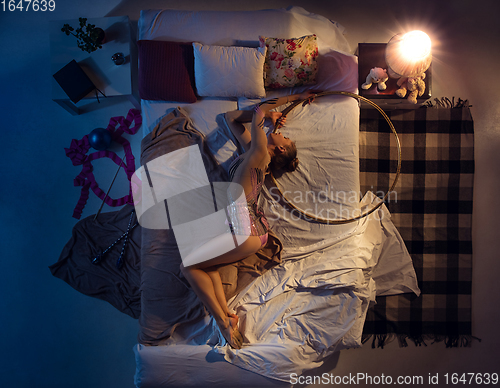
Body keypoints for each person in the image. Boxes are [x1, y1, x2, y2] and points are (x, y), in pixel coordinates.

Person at [180, 91, 315, 349]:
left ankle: (220, 321)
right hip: (252, 229)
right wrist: (266, 120)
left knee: (188, 266)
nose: (281, 132)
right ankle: (227, 316)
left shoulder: (260, 153)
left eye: (284, 136)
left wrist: (296, 97)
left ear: (281, 148)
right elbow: (230, 119)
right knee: (206, 266)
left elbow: (260, 109)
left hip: (246, 228)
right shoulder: (253, 154)